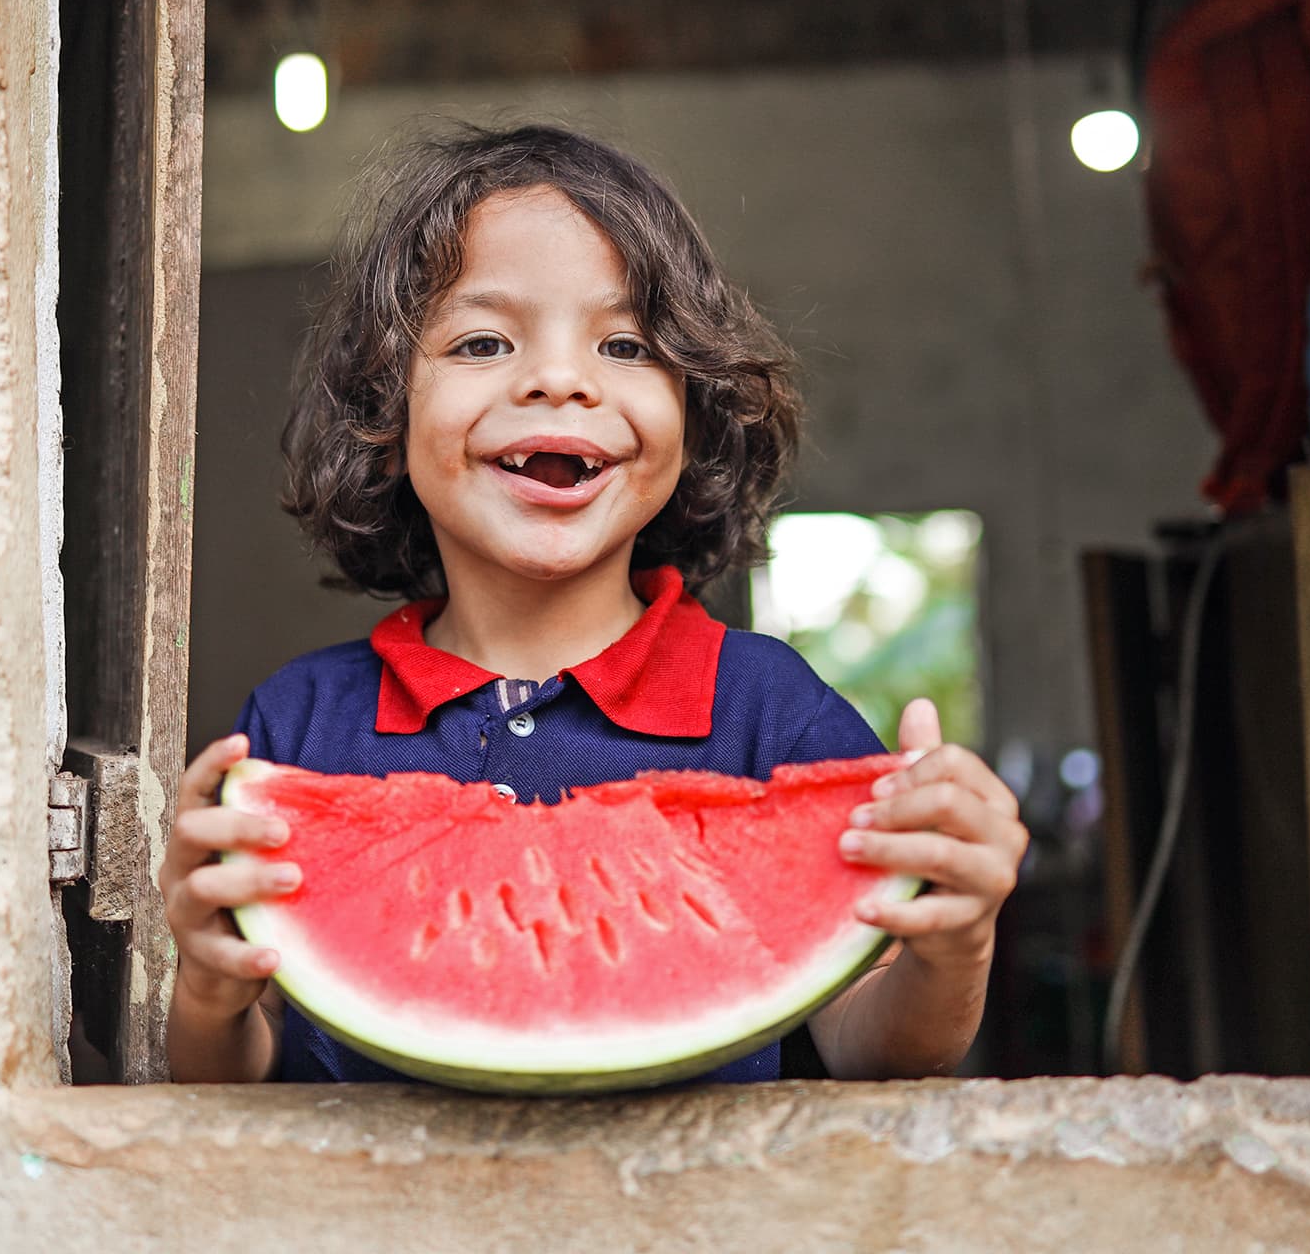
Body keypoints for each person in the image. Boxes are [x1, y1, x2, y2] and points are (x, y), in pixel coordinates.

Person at [160, 124, 1027, 1085]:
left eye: (624, 344)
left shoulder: (769, 710)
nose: (560, 379)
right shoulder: (298, 723)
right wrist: (206, 989)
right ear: (386, 412)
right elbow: (235, 1074)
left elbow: (870, 1043)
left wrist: (958, 942)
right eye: (483, 341)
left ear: (693, 411)